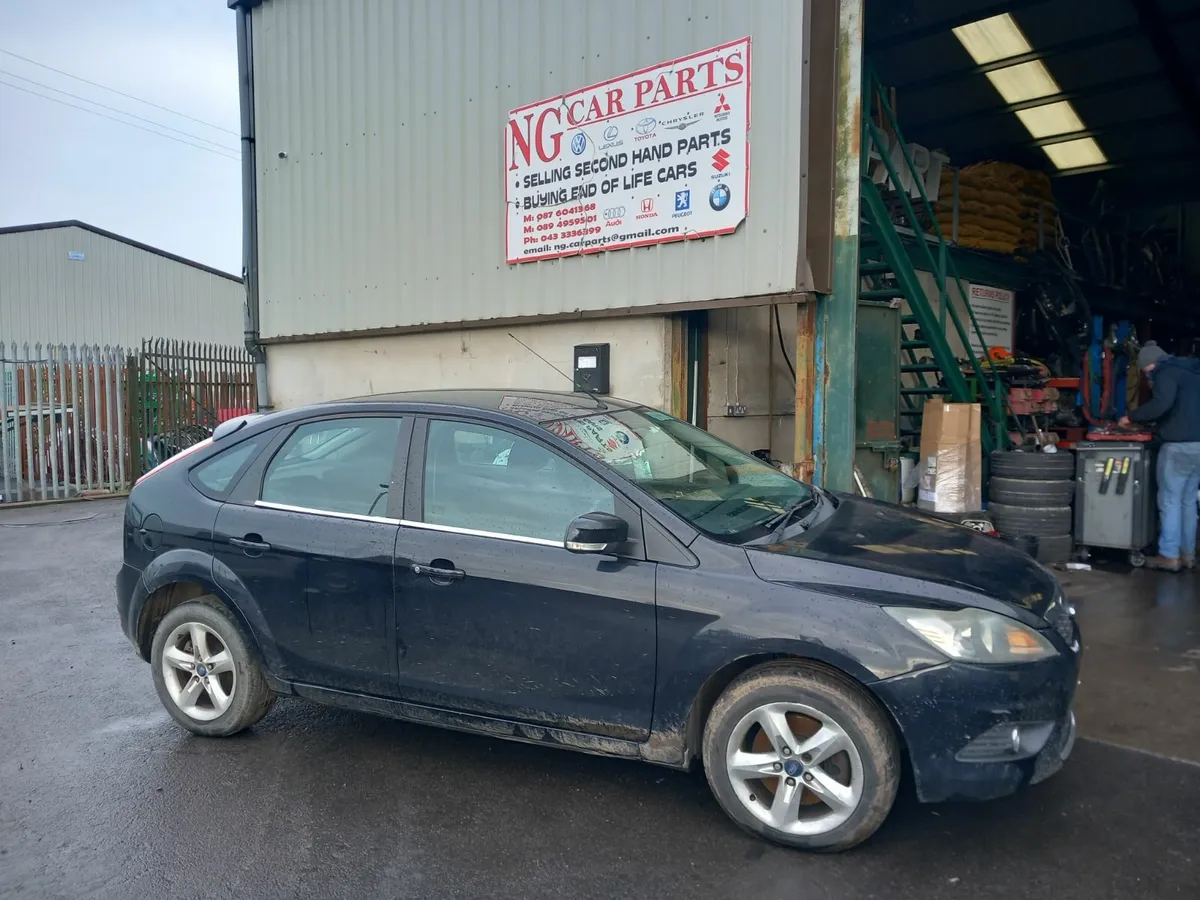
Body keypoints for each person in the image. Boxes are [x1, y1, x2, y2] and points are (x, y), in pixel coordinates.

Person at [1118, 342, 1200, 571]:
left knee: (1170, 501)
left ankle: (1169, 555)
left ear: (1150, 364)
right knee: (1188, 501)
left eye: (1145, 372)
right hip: (1198, 445)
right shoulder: (1192, 372)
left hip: (1177, 446)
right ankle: (1188, 555)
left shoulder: (1164, 373)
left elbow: (1161, 404)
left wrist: (1131, 417)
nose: (1147, 377)